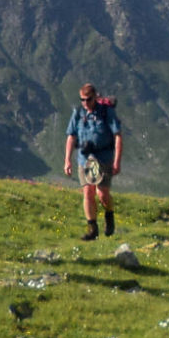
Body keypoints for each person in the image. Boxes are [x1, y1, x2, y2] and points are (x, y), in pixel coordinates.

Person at [62, 83, 123, 241]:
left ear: (95, 97)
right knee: (87, 192)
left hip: (103, 157)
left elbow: (117, 136)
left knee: (102, 194)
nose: (85, 103)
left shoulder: (106, 112)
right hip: (85, 158)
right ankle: (92, 228)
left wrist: (117, 161)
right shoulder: (78, 113)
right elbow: (71, 136)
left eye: (88, 99)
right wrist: (67, 160)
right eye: (82, 99)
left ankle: (109, 215)